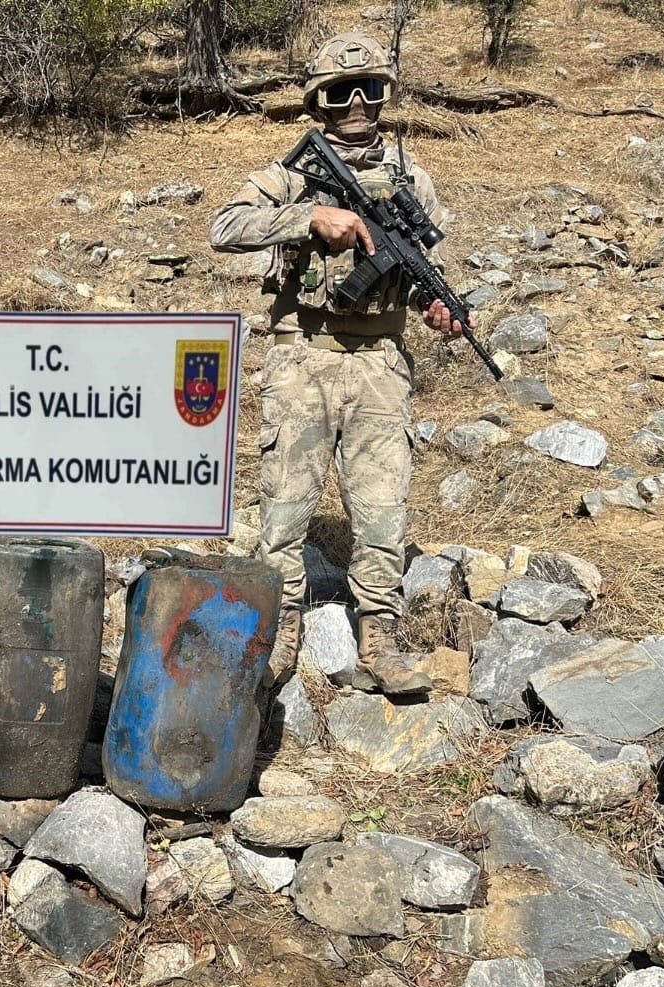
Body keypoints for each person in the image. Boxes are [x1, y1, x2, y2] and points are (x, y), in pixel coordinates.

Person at [209, 32, 469, 693]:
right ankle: (281, 627)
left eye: (370, 90)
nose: (356, 103)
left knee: (382, 511)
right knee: (286, 509)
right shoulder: (291, 174)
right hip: (303, 359)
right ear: (316, 101)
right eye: (339, 92)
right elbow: (225, 226)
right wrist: (307, 219)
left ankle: (378, 634)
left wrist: (438, 308)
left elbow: (421, 272)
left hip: (380, 362)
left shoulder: (413, 180)